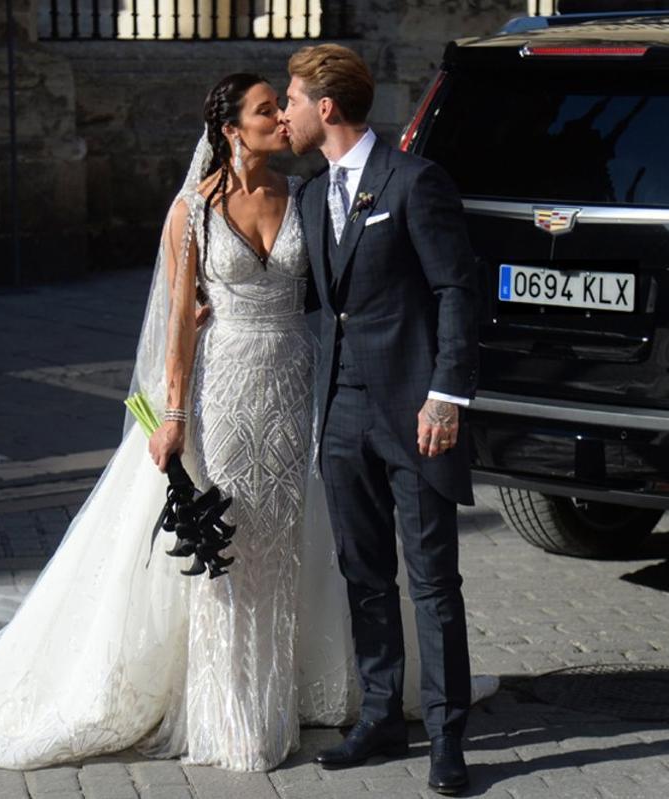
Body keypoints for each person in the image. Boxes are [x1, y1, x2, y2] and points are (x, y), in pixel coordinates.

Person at [0, 73, 494, 773]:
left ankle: (312, 697)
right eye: (265, 109)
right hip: (224, 395)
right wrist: (173, 412)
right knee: (227, 550)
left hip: (293, 392)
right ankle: (234, 718)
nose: (281, 118)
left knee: (286, 548)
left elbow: (338, 287)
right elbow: (177, 328)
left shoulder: (303, 195)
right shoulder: (191, 211)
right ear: (230, 130)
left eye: (286, 104)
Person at [279, 45, 480, 795]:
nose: (286, 113)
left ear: (326, 107)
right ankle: (379, 714)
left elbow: (456, 290)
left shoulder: (414, 181)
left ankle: (447, 737)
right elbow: (315, 299)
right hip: (341, 415)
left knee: (432, 579)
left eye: (293, 99)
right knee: (363, 572)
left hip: (413, 411)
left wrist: (447, 395)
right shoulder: (308, 195)